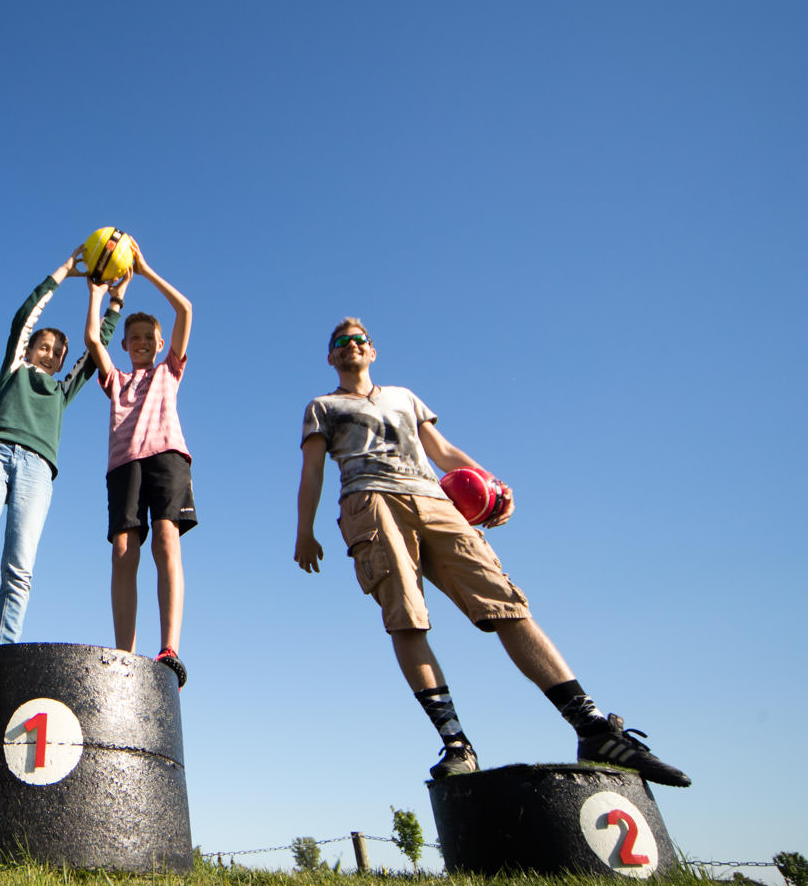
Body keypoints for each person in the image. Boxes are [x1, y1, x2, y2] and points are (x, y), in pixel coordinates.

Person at [292, 317, 689, 786]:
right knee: (407, 618)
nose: (350, 346)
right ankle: (457, 744)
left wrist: (493, 483)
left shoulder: (403, 396)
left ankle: (592, 728)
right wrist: (305, 530)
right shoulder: (323, 406)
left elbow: (441, 451)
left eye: (359, 340)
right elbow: (313, 470)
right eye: (341, 343)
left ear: (372, 351)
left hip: (435, 501)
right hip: (370, 502)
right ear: (330, 357)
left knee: (505, 604)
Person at [0, 248, 122, 676]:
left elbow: (98, 344)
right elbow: (25, 315)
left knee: (20, 568)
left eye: (57, 352)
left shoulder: (62, 390)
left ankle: (3, 654)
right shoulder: (14, 369)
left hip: (38, 471)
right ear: (29, 348)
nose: (50, 354)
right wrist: (67, 270)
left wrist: (111, 299)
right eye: (43, 346)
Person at [82, 249, 194, 677]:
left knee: (167, 540)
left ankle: (168, 648)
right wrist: (98, 293)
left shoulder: (170, 371)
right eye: (135, 338)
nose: (143, 343)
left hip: (166, 456)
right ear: (126, 346)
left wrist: (144, 271)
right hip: (124, 465)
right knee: (124, 553)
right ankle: (124, 655)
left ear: (161, 344)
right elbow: (94, 339)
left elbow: (185, 309)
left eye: (150, 337)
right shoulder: (117, 381)